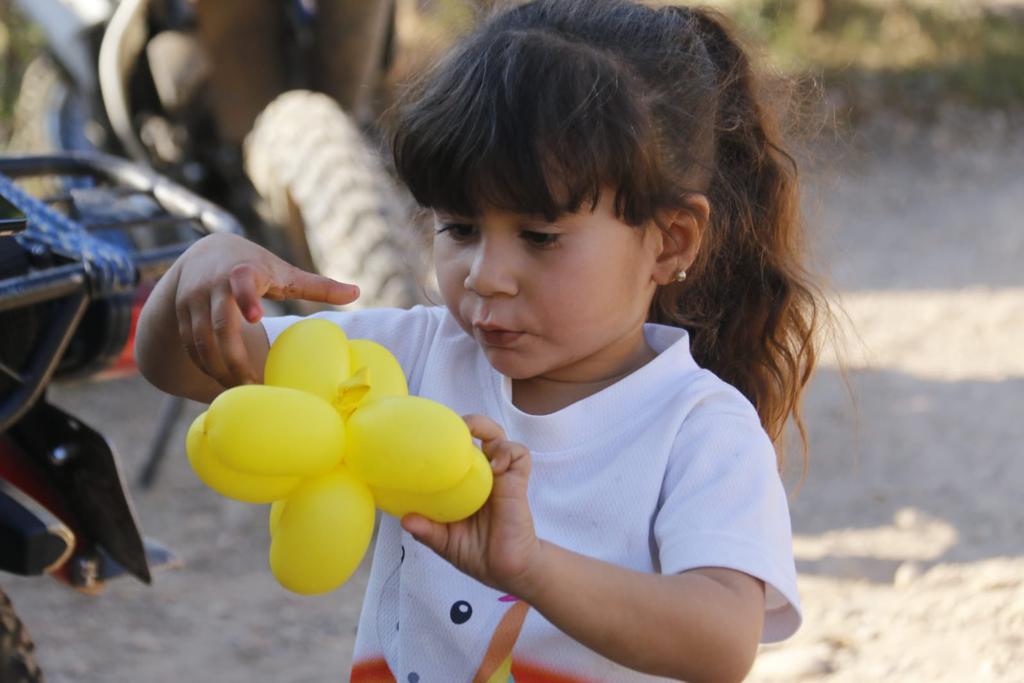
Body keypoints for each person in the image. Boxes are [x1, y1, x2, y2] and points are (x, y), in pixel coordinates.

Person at [135, 1, 824, 680]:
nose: (487, 277)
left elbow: (720, 642)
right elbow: (182, 366)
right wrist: (198, 274)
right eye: (460, 227)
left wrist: (528, 565)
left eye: (539, 236)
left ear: (670, 241)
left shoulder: (699, 426)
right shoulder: (407, 358)